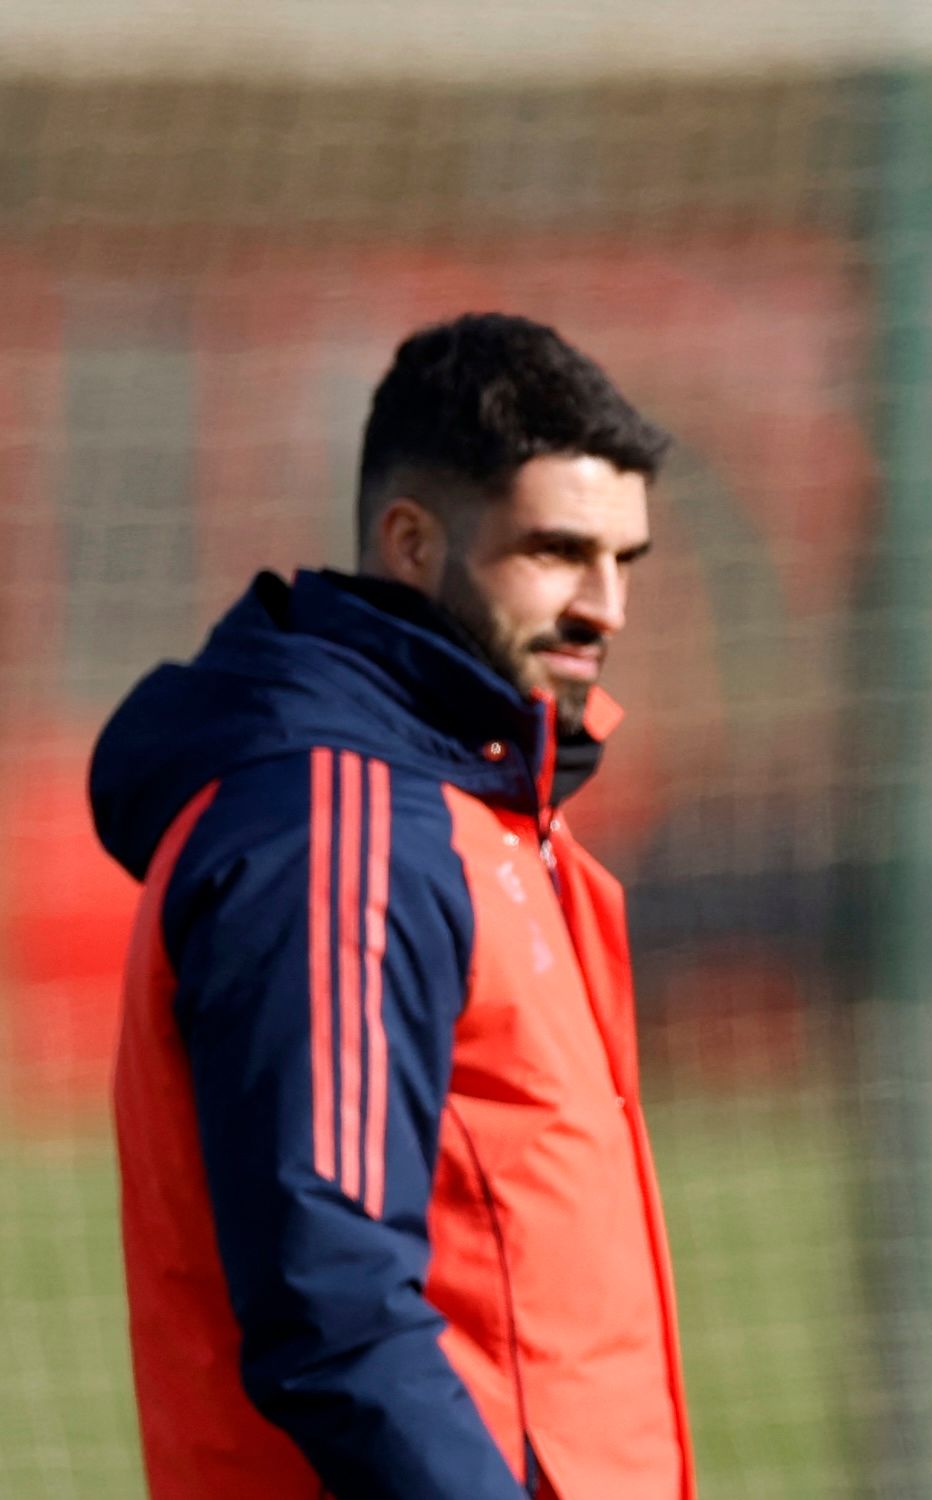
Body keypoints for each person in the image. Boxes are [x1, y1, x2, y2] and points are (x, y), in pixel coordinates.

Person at [91, 313, 689, 1498]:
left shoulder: (478, 809)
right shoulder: (336, 833)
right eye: (558, 551)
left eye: (626, 561)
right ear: (410, 541)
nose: (606, 606)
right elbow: (336, 1308)